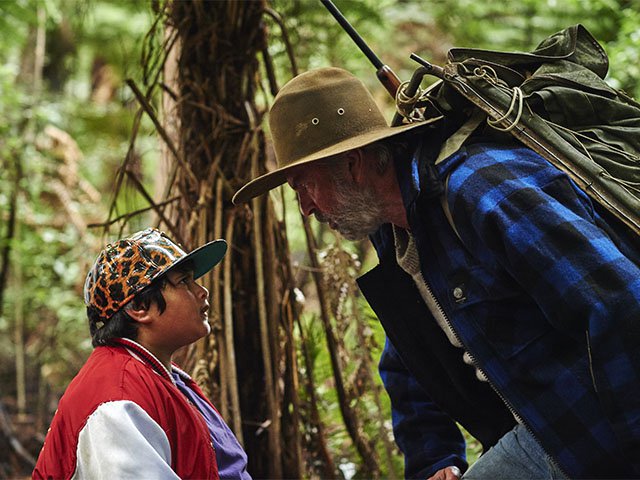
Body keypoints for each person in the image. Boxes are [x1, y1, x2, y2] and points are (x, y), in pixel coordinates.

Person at [232, 67, 640, 479]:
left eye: (304, 186)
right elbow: (409, 360)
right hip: (547, 433)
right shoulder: (394, 234)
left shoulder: (481, 190)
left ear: (353, 165)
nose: (306, 208)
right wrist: (435, 457)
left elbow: (620, 304)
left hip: (602, 436)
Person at [33, 228, 251, 480]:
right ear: (139, 307)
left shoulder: (162, 376)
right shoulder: (116, 403)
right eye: (184, 281)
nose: (202, 291)